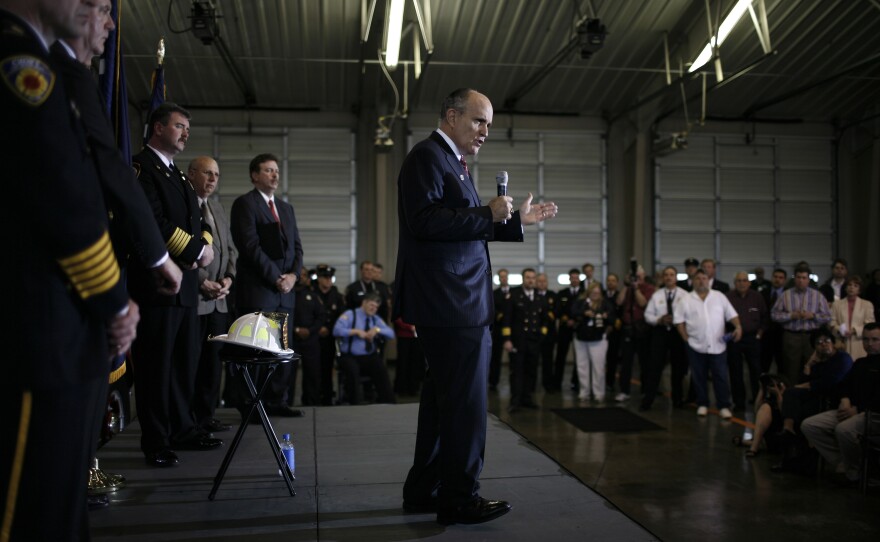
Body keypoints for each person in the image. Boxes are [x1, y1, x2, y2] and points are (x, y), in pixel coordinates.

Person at [0, 1, 135, 537]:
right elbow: (63, 197)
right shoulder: (17, 61)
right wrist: (114, 299)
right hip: (35, 322)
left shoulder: (45, 64)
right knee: (29, 507)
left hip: (55, 313)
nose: (95, 10)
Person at [395, 88, 557, 525]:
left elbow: (463, 229)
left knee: (442, 402)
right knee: (464, 405)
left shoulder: (453, 163)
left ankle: (425, 489)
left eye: (489, 123)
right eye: (479, 121)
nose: (486, 131)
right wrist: (487, 213)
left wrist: (514, 221)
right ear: (451, 116)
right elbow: (425, 221)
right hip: (451, 303)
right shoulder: (428, 158)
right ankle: (460, 497)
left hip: (456, 301)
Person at [129, 103, 222, 468]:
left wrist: (205, 247)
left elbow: (199, 218)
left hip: (185, 286)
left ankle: (183, 429)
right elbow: (151, 221)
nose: (185, 133)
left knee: (184, 364)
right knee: (157, 367)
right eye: (179, 127)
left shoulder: (180, 177)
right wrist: (198, 250)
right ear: (157, 128)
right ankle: (156, 440)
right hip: (157, 284)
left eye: (187, 128)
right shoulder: (142, 168)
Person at [230, 153, 304, 418]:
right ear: (254, 175)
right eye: (268, 170)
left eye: (276, 171)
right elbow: (250, 247)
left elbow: (296, 247)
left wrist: (293, 276)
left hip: (285, 293)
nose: (275, 175)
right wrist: (277, 278)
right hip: (260, 291)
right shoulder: (245, 204)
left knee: (282, 351)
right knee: (257, 351)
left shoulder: (286, 208)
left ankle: (277, 401)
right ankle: (251, 405)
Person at [189, 157, 236, 434]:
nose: (213, 179)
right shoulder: (185, 205)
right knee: (191, 364)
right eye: (207, 173)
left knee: (211, 365)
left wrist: (228, 279)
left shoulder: (217, 207)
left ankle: (206, 417)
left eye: (216, 174)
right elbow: (178, 250)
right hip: (196, 301)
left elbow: (231, 250)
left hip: (219, 301)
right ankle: (188, 420)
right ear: (192, 174)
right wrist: (203, 282)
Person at [800, 323, 880, 485]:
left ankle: (856, 473)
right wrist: (844, 399)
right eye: (865, 339)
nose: (869, 344)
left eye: (875, 339)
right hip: (850, 410)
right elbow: (843, 385)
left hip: (873, 414)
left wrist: (858, 409)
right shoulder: (860, 363)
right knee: (809, 425)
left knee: (843, 430)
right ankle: (844, 462)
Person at [770, 327, 853, 472]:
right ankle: (789, 441)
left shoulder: (842, 358)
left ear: (833, 343)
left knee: (793, 403)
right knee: (788, 405)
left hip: (834, 400)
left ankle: (788, 433)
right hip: (818, 398)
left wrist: (807, 385)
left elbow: (831, 382)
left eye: (827, 341)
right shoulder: (818, 363)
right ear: (814, 347)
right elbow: (804, 382)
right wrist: (808, 365)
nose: (824, 344)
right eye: (819, 342)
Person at [674, 268, 742, 419]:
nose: (701, 281)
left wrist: (738, 326)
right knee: (699, 376)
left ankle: (724, 405)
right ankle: (702, 404)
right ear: (693, 281)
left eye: (704, 278)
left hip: (718, 346)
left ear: (708, 280)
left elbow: (732, 315)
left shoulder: (719, 297)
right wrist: (686, 339)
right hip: (695, 345)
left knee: (721, 376)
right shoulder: (685, 299)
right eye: (698, 278)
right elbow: (679, 322)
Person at [771, 264, 832, 385]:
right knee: (790, 369)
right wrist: (790, 316)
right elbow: (774, 315)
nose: (801, 280)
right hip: (791, 336)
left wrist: (813, 316)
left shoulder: (818, 296)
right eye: (798, 277)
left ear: (808, 279)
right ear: (794, 279)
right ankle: (791, 395)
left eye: (804, 278)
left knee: (813, 366)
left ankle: (810, 396)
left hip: (812, 336)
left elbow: (828, 316)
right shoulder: (785, 295)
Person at [502, 268, 551, 411]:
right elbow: (507, 319)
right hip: (518, 341)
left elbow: (545, 321)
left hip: (534, 341)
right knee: (517, 372)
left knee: (531, 372)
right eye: (528, 277)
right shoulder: (514, 295)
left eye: (533, 278)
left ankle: (527, 399)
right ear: (523, 279)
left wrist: (541, 336)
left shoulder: (540, 297)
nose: (530, 280)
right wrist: (507, 339)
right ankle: (515, 401)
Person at [333, 293, 396, 404]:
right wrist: (355, 331)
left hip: (368, 356)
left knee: (381, 370)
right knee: (352, 371)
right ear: (364, 303)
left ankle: (388, 403)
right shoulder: (350, 315)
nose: (374, 309)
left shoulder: (375, 319)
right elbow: (336, 330)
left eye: (376, 307)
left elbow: (391, 334)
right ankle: (355, 403)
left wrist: (377, 330)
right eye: (372, 305)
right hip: (350, 356)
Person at [642, 266, 688, 410]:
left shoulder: (685, 295)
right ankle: (648, 400)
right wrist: (659, 319)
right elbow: (647, 315)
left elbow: (690, 315)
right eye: (666, 275)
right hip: (660, 332)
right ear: (663, 278)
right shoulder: (657, 295)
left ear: (676, 277)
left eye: (671, 275)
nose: (668, 277)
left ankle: (677, 399)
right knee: (654, 367)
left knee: (678, 368)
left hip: (677, 333)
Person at [726, 271, 769, 411]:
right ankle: (739, 403)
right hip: (734, 339)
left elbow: (764, 316)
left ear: (749, 283)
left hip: (753, 339)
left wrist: (760, 333)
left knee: (756, 371)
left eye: (744, 280)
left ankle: (758, 400)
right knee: (735, 372)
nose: (742, 283)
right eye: (739, 280)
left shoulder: (757, 297)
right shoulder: (728, 297)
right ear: (734, 282)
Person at [614, 265, 654, 402]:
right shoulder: (628, 288)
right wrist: (626, 285)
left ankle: (645, 390)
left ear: (643, 275)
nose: (636, 277)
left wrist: (636, 288)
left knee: (645, 362)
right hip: (628, 329)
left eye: (638, 275)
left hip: (642, 329)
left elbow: (643, 303)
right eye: (634, 275)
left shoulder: (649, 288)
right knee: (626, 362)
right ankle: (624, 390)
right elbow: (619, 301)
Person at [571, 283, 615, 402]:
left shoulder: (605, 303)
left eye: (597, 293)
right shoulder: (581, 302)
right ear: (588, 292)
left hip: (598, 338)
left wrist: (605, 316)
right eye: (593, 292)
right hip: (581, 337)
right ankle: (584, 391)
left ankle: (598, 392)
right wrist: (584, 313)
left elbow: (612, 318)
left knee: (598, 367)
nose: (595, 295)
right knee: (582, 366)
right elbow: (573, 313)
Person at [293, 267, 326, 406]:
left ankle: (311, 402)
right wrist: (296, 329)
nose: (302, 277)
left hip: (311, 340)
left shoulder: (313, 296)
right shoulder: (286, 295)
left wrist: (310, 330)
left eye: (305, 275)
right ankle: (285, 402)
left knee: (312, 374)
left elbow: (321, 317)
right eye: (299, 274)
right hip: (291, 340)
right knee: (287, 375)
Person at [313, 264, 345, 405]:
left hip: (330, 337)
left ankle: (327, 397)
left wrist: (329, 328)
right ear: (319, 278)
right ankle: (312, 397)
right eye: (325, 277)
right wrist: (318, 328)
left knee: (327, 368)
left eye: (330, 277)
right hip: (314, 336)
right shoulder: (312, 294)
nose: (328, 280)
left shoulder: (337, 296)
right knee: (313, 369)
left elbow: (341, 317)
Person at [830, 276, 875, 359]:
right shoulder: (836, 304)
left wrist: (854, 330)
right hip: (842, 342)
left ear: (859, 290)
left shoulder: (867, 304)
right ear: (845, 288)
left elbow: (870, 324)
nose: (852, 287)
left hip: (859, 342)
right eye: (849, 285)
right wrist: (840, 330)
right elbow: (832, 322)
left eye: (855, 286)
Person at [556, 268, 583, 392]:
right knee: (561, 356)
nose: (574, 280)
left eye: (576, 277)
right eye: (572, 277)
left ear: (579, 279)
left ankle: (576, 383)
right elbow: (557, 309)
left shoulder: (584, 293)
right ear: (569, 279)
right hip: (564, 329)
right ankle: (557, 382)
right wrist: (566, 319)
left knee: (579, 357)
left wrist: (576, 320)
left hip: (579, 329)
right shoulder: (562, 293)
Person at [759, 268, 788, 374]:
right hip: (766, 333)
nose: (777, 280)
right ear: (771, 278)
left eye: (780, 278)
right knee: (764, 364)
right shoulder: (763, 293)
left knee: (782, 364)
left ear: (785, 280)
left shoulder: (789, 294)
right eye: (775, 277)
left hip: (782, 333)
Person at [489, 268, 512, 391]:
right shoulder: (494, 294)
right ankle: (493, 382)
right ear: (498, 279)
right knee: (495, 358)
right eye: (501, 277)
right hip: (498, 329)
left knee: (514, 358)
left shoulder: (514, 292)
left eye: (505, 276)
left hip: (511, 330)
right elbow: (491, 309)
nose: (503, 278)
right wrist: (501, 315)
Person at [536, 272, 559, 393]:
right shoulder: (532, 294)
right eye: (539, 281)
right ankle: (531, 386)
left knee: (548, 361)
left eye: (544, 281)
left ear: (547, 282)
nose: (541, 283)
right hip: (534, 334)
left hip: (549, 335)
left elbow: (557, 312)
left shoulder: (553, 295)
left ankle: (548, 385)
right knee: (532, 362)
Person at [604, 273, 623, 394]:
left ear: (617, 283)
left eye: (613, 280)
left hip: (615, 333)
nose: (611, 283)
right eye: (609, 280)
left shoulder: (620, 295)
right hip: (602, 330)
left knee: (612, 359)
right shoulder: (601, 295)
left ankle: (609, 383)